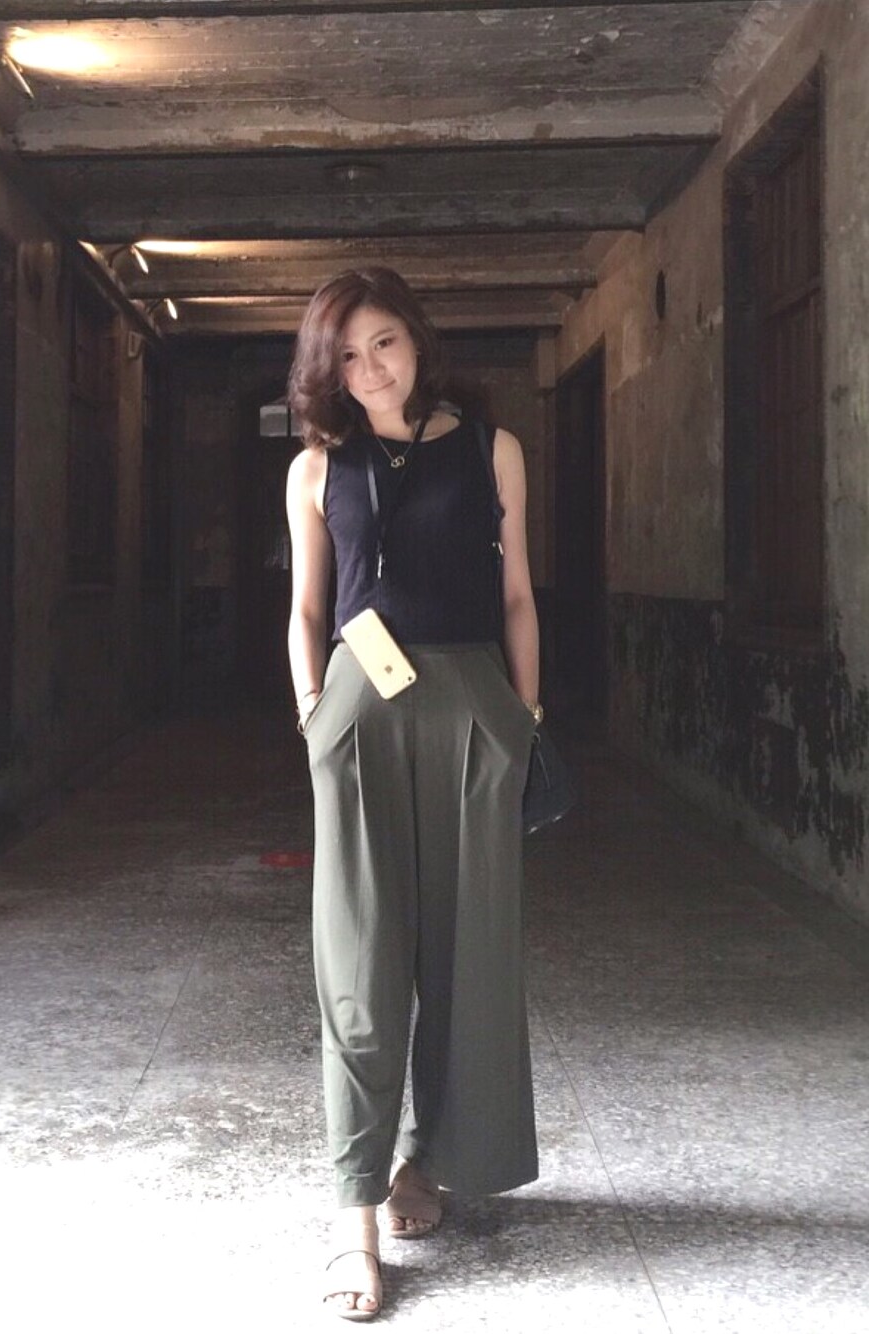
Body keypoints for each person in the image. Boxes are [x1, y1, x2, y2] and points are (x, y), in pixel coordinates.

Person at [285, 267, 540, 1321]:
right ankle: (355, 1221)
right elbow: (306, 608)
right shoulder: (315, 466)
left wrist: (524, 720)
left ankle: (428, 1161)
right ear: (327, 370)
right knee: (359, 963)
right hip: (360, 715)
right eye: (346, 354)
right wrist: (314, 714)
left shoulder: (490, 448)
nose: (370, 368)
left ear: (418, 340)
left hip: (475, 707)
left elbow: (517, 593)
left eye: (383, 341)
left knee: (467, 955)